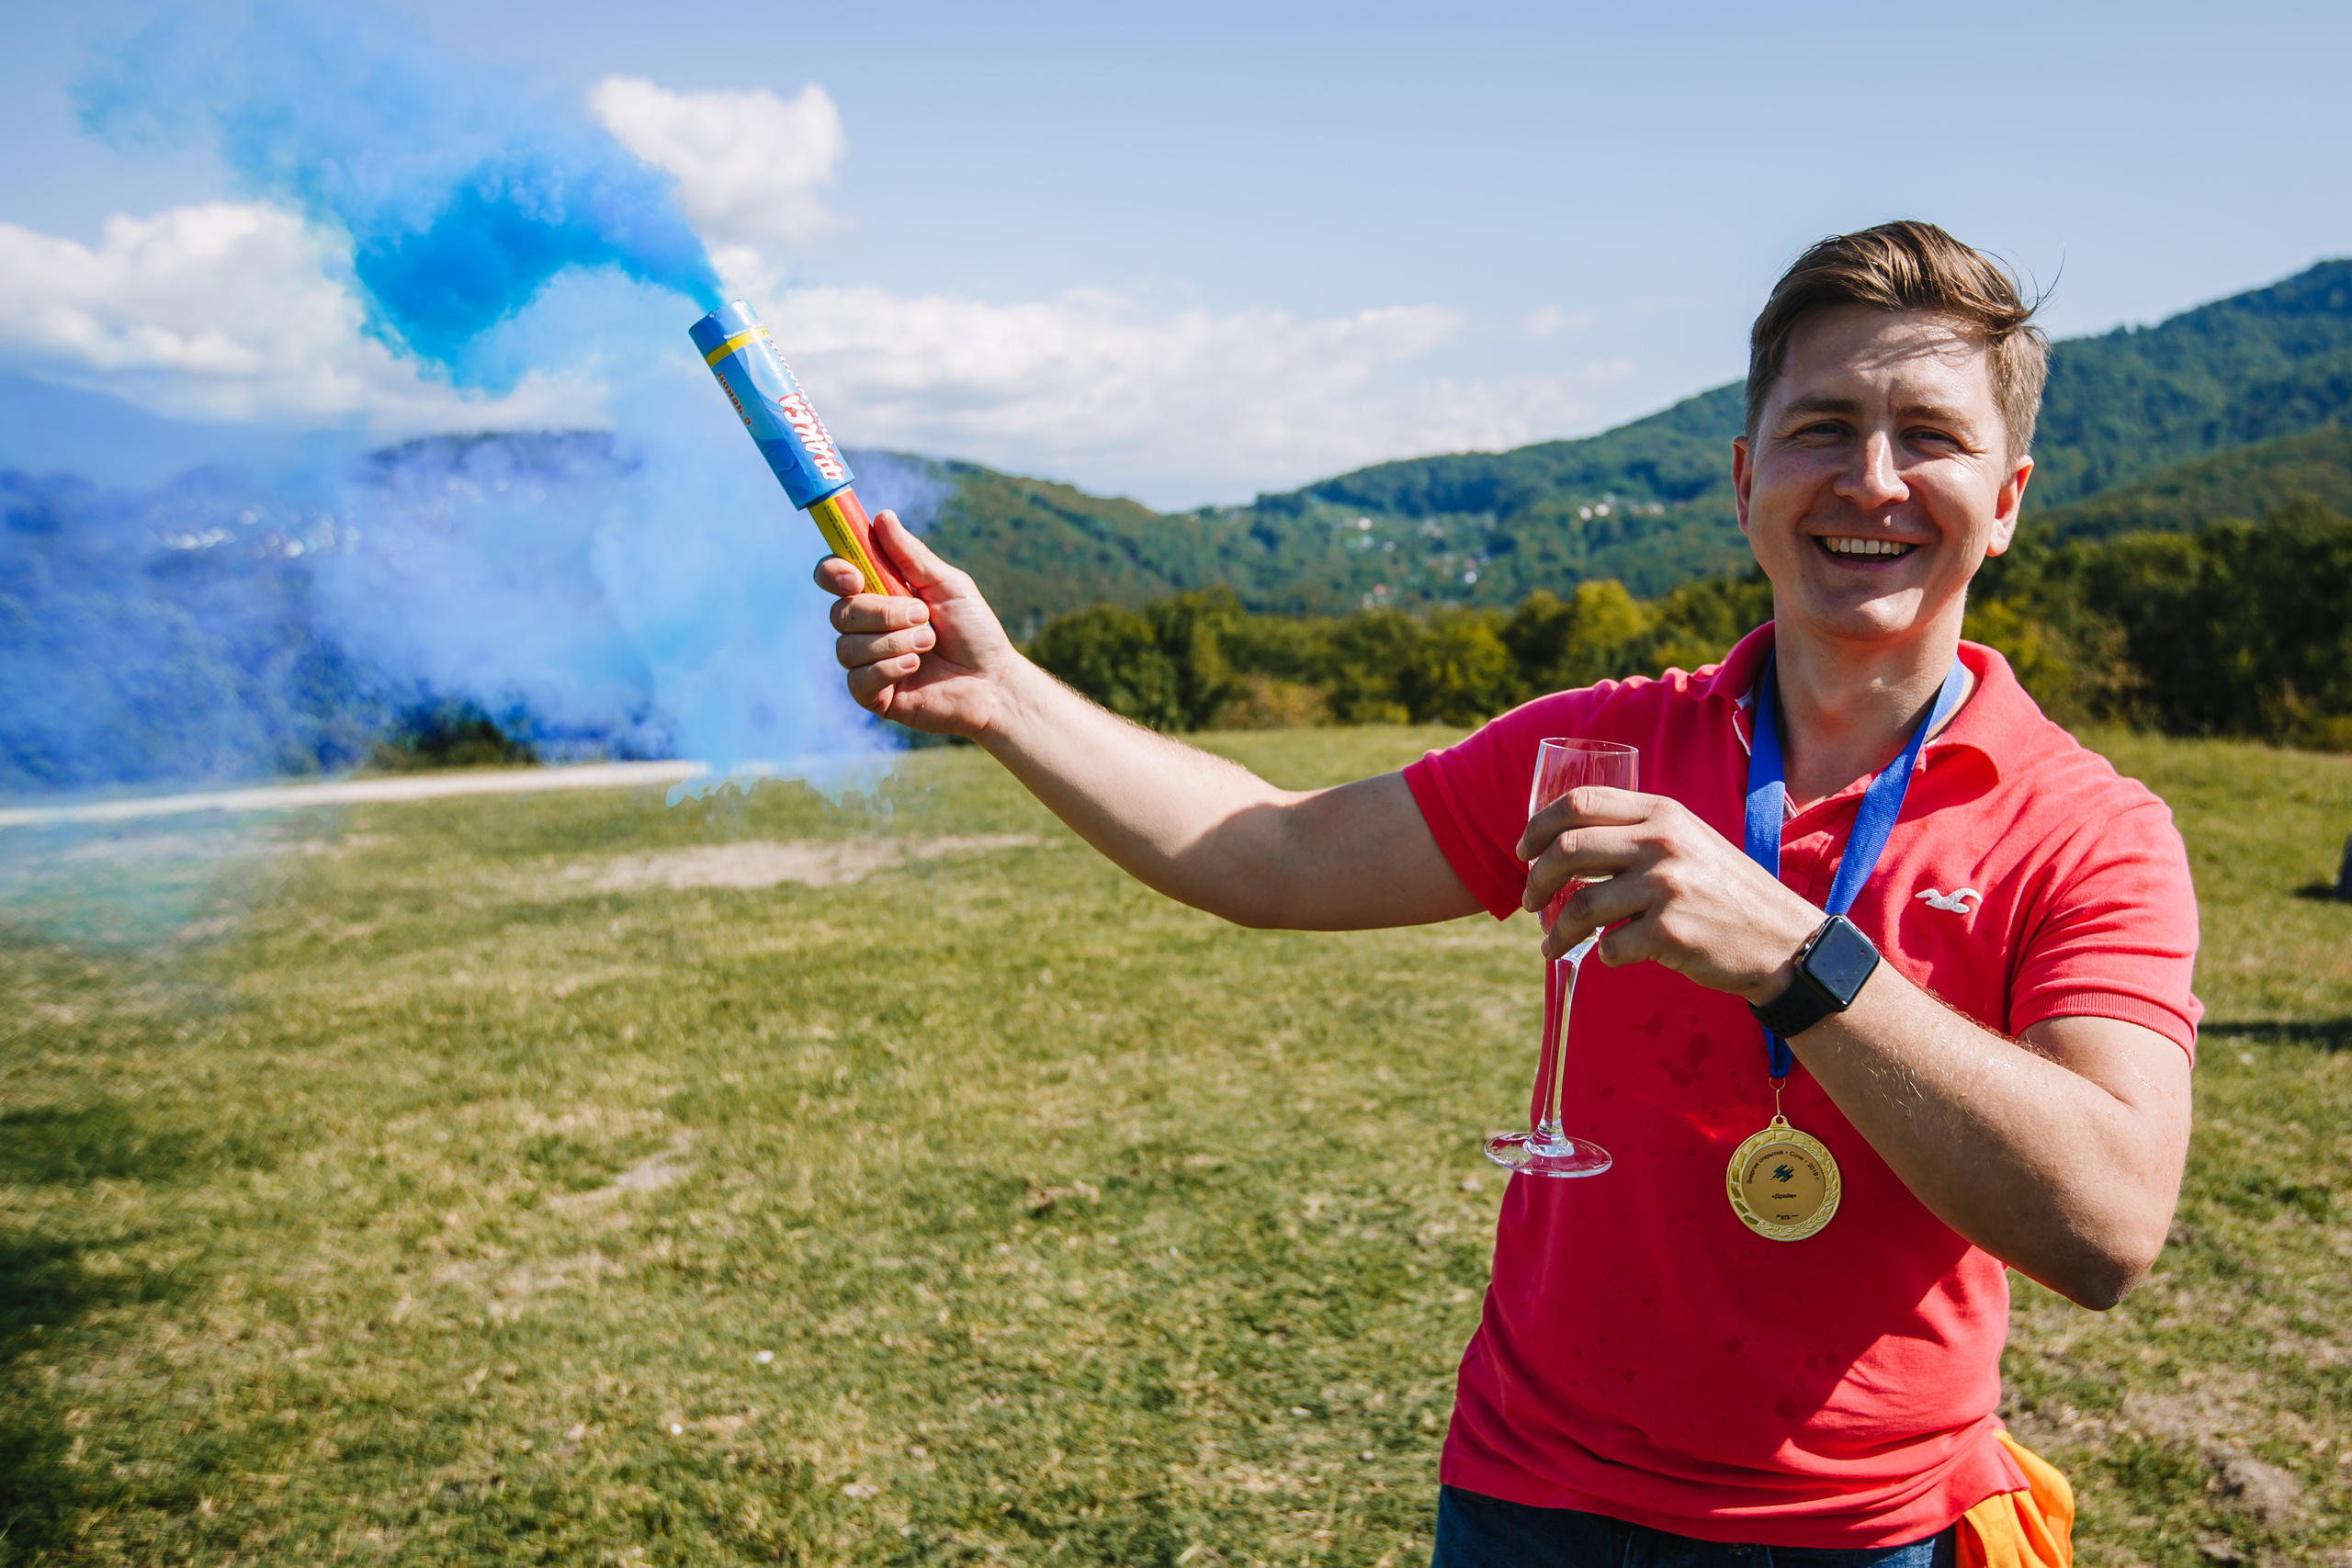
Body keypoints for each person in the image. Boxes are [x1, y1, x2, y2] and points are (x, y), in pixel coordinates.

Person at [813, 220, 2200, 1566]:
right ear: (1746, 480)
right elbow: (1272, 853)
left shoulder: (2090, 833)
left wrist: (1799, 958)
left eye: (1931, 436)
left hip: (1865, 1533)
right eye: (1822, 427)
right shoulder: (1600, 746)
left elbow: (2106, 1229)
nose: (1871, 479)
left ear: (2007, 501)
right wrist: (1004, 696)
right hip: (1529, 1498)